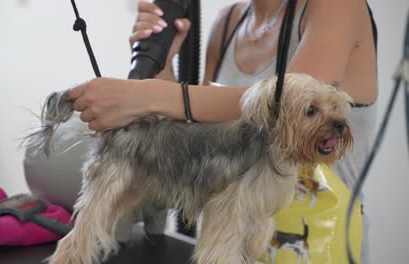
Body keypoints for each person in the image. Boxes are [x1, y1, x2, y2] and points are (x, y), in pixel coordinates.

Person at [68, 0, 377, 262]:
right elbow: (202, 125)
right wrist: (164, 63)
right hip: (226, 237)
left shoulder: (337, 6)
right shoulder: (229, 21)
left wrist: (146, 95)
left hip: (315, 241)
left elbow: (286, 102)